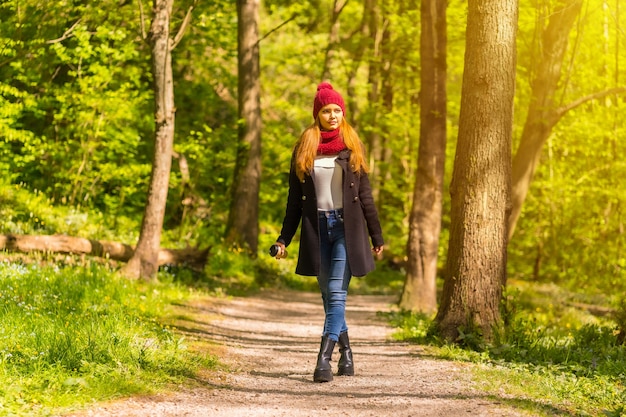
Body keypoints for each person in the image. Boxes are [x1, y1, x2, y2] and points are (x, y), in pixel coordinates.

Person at [272, 82, 384, 383]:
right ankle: (346, 354)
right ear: (317, 114)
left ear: (342, 113)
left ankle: (323, 360)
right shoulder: (304, 148)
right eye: (326, 110)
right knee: (328, 295)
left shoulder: (352, 146)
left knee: (336, 294)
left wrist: (377, 236)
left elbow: (366, 197)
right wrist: (284, 238)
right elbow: (294, 202)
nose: (332, 115)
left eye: (337, 110)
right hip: (316, 229)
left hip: (347, 230)